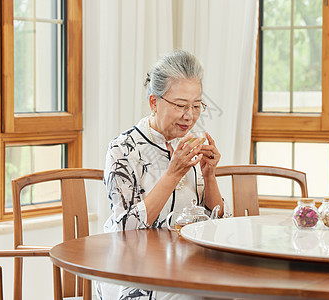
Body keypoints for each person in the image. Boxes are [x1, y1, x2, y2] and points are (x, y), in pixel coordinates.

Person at [97, 49, 230, 300]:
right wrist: (172, 174)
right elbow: (125, 229)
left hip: (190, 267)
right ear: (154, 102)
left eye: (196, 105)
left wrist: (209, 176)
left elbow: (218, 224)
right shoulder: (124, 149)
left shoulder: (189, 145)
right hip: (134, 271)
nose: (189, 115)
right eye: (180, 105)